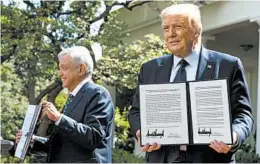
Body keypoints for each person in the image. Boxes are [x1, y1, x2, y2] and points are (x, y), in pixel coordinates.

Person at [128, 4, 254, 163]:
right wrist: (141, 131)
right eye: (166, 29)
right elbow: (136, 112)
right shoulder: (150, 69)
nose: (171, 34)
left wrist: (233, 136)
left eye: (178, 27)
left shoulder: (227, 65)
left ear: (197, 30)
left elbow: (243, 115)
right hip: (161, 158)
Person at [16, 46, 114, 163]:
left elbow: (93, 137)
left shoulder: (98, 93)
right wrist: (32, 141)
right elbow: (63, 145)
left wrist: (59, 118)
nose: (60, 73)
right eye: (59, 68)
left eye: (64, 68)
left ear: (81, 69)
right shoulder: (72, 98)